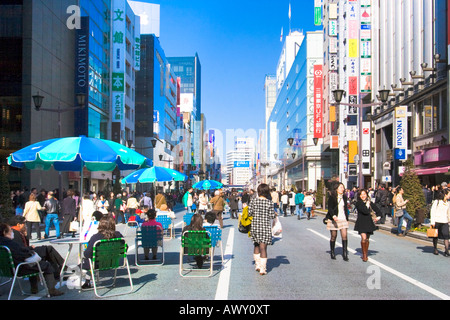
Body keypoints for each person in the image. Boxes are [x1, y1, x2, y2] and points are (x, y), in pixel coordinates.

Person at [0, 222, 64, 296]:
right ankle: (52, 290)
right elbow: (22, 254)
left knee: (39, 258)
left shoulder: (3, 244)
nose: (12, 232)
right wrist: (31, 252)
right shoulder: (10, 243)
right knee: (45, 264)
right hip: (20, 268)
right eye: (10, 230)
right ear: (5, 232)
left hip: (8, 270)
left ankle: (35, 287)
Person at [8, 215, 66, 282]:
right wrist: (30, 247)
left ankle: (60, 270)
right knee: (48, 250)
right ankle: (62, 267)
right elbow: (21, 249)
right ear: (18, 224)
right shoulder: (15, 233)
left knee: (48, 250)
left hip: (24, 256)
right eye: (24, 223)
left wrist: (26, 235)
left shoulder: (14, 232)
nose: (25, 225)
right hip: (26, 258)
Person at [81, 216, 124, 289]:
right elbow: (125, 248)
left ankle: (86, 282)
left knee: (81, 265)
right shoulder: (118, 235)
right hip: (114, 262)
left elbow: (87, 254)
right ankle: (88, 281)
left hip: (97, 264)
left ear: (100, 225)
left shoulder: (96, 237)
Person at [248, 184, 277, 275]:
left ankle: (257, 265)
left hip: (255, 225)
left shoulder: (253, 201)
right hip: (265, 226)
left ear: (259, 191)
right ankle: (263, 269)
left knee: (256, 245)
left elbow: (250, 213)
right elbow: (272, 215)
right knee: (263, 247)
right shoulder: (269, 203)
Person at [354, 189, 382, 262]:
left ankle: (366, 251)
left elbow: (378, 210)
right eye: (361, 194)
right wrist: (366, 205)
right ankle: (364, 255)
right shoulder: (358, 203)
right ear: (359, 196)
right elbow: (365, 211)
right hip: (361, 222)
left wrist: (378, 217)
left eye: (364, 194)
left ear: (367, 195)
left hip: (369, 222)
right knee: (363, 238)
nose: (363, 196)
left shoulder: (370, 202)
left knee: (367, 239)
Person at [325, 182, 350, 261]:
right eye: (341, 187)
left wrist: (347, 218)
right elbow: (330, 208)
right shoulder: (332, 197)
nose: (342, 189)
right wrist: (333, 216)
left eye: (343, 187)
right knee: (333, 236)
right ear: (336, 189)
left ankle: (344, 254)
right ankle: (332, 252)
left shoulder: (344, 197)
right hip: (334, 219)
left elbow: (345, 209)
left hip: (343, 218)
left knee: (344, 235)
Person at [429, 189, 450, 256]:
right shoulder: (437, 201)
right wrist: (432, 222)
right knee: (435, 236)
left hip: (445, 221)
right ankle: (435, 248)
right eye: (449, 194)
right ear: (445, 194)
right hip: (437, 221)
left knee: (446, 236)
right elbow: (433, 211)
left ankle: (446, 250)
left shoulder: (448, 203)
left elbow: (448, 212)